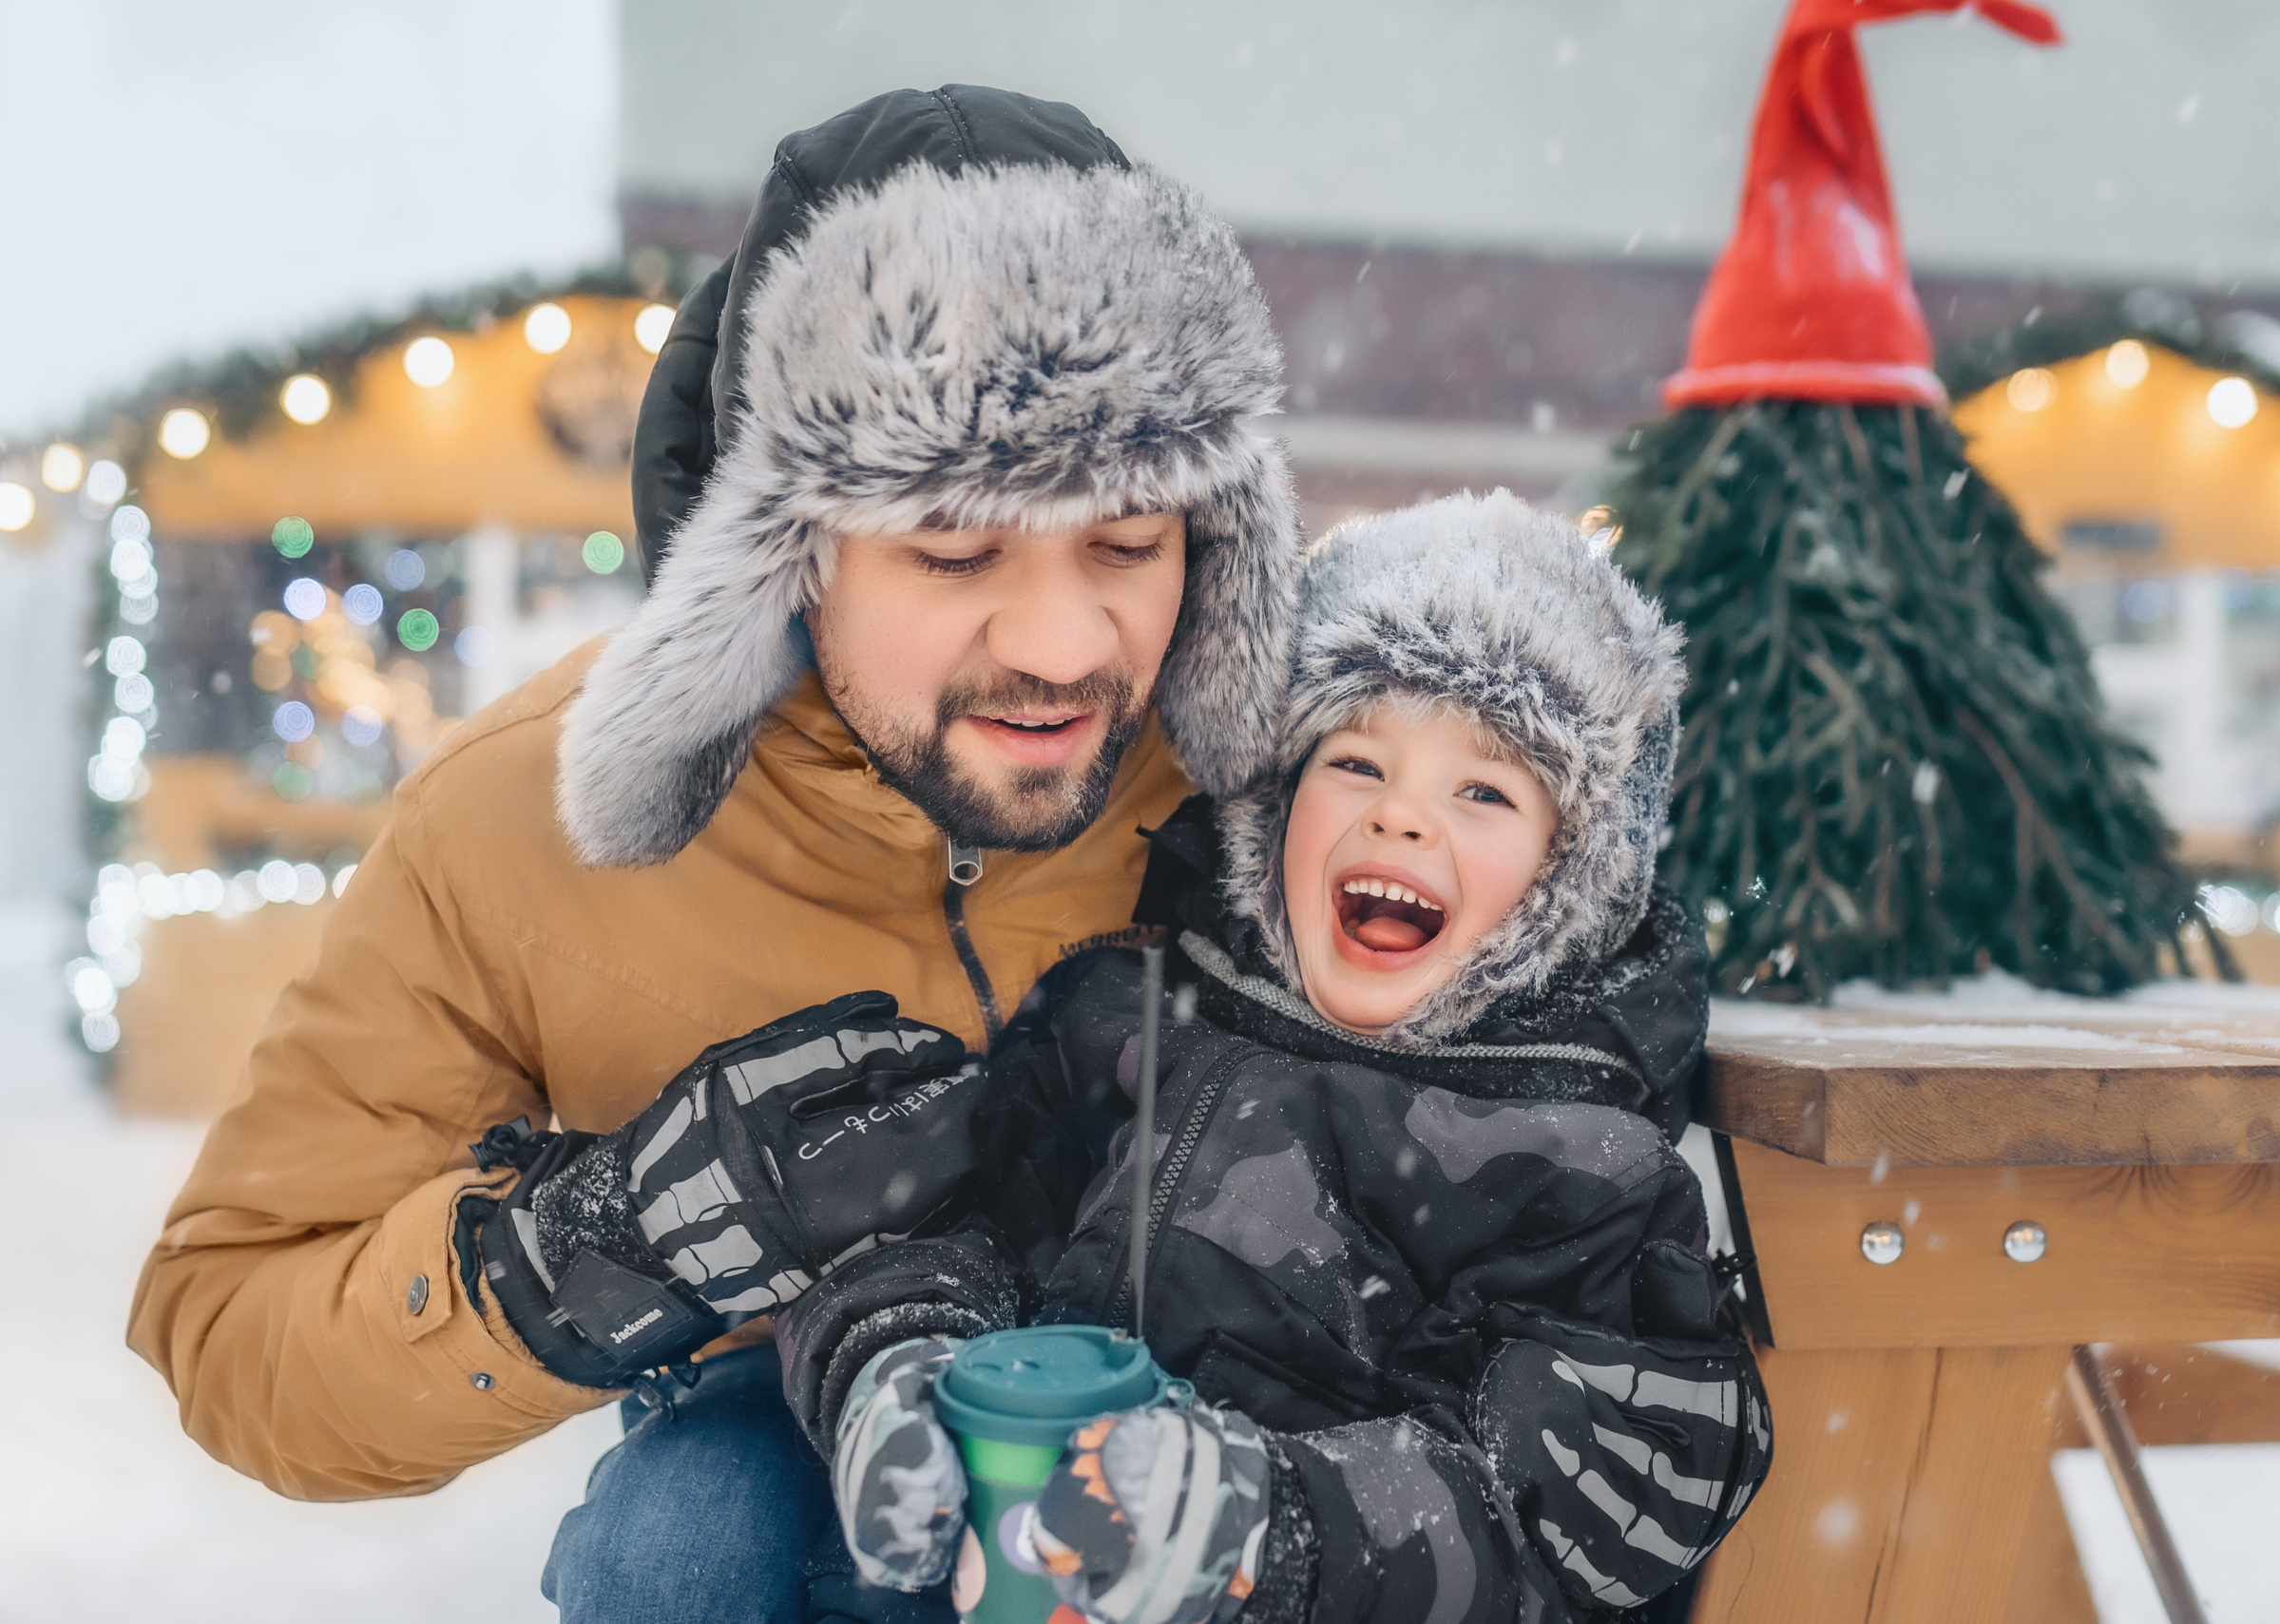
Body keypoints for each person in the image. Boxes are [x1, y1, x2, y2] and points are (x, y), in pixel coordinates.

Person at [125, 85, 1300, 1624]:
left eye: (1128, 544)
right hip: (786, 1492)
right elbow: (231, 1319)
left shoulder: (1322, 778)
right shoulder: (522, 819)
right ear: (785, 550)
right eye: (955, 549)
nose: (1066, 644)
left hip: (1247, 1476)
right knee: (681, 1540)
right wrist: (593, 1249)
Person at [778, 492, 1773, 1624]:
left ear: (1569, 873)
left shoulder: (1579, 1167)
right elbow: (942, 1213)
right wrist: (897, 1356)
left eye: (1483, 789)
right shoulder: (1128, 1020)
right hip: (1012, 1571)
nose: (1401, 818)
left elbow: (1548, 1511)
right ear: (1273, 804)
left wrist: (1267, 1528)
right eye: (1356, 761)